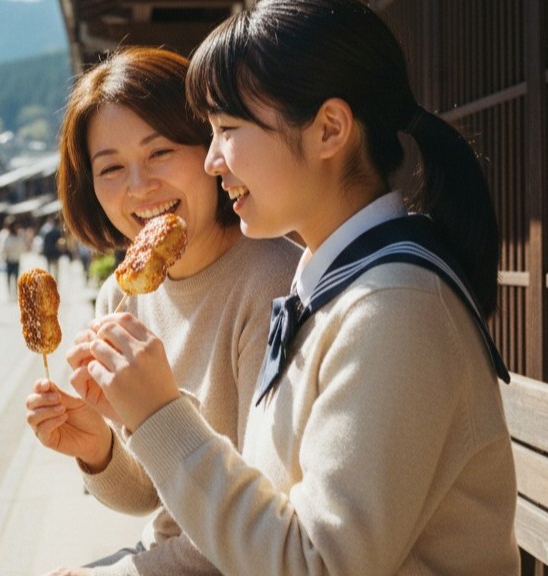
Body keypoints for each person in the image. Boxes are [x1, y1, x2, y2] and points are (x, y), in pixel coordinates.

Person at [71, 2, 519, 574]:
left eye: (228, 130)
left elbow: (317, 564)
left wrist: (160, 413)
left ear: (329, 128)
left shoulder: (395, 309)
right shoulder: (333, 288)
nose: (211, 161)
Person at [24, 46, 299, 575]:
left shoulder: (271, 284)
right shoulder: (119, 300)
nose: (139, 187)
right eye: (110, 168)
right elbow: (154, 497)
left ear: (210, 150)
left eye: (161, 152)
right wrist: (99, 447)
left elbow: (259, 532)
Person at [0, 216, 28, 299]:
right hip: (8, 258)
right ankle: (10, 292)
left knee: (16, 276)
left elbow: (23, 246)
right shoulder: (4, 234)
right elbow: (1, 246)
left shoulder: (19, 234)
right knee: (9, 276)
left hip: (16, 258)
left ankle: (15, 292)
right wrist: (1, 255)